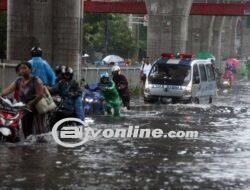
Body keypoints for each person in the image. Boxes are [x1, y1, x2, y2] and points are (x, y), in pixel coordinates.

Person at [0, 61, 47, 139]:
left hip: (36, 108)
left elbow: (40, 94)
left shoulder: (36, 80)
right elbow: (9, 89)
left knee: (39, 131)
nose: (22, 70)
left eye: (24, 68)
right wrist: (1, 94)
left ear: (30, 70)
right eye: (21, 68)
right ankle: (28, 146)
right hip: (24, 108)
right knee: (26, 130)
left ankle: (41, 144)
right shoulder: (19, 80)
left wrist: (31, 103)